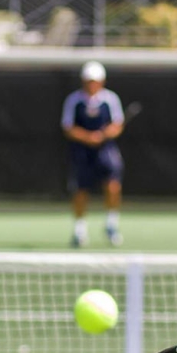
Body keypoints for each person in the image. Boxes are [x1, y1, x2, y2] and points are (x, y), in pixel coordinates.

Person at [61, 61, 125, 248]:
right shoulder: (74, 100)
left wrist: (104, 135)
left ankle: (111, 225)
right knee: (80, 190)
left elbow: (117, 124)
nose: (92, 84)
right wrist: (88, 137)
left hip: (106, 150)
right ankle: (79, 231)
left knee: (113, 185)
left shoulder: (110, 99)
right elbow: (68, 127)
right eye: (88, 81)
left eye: (95, 81)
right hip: (81, 151)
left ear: (102, 81)